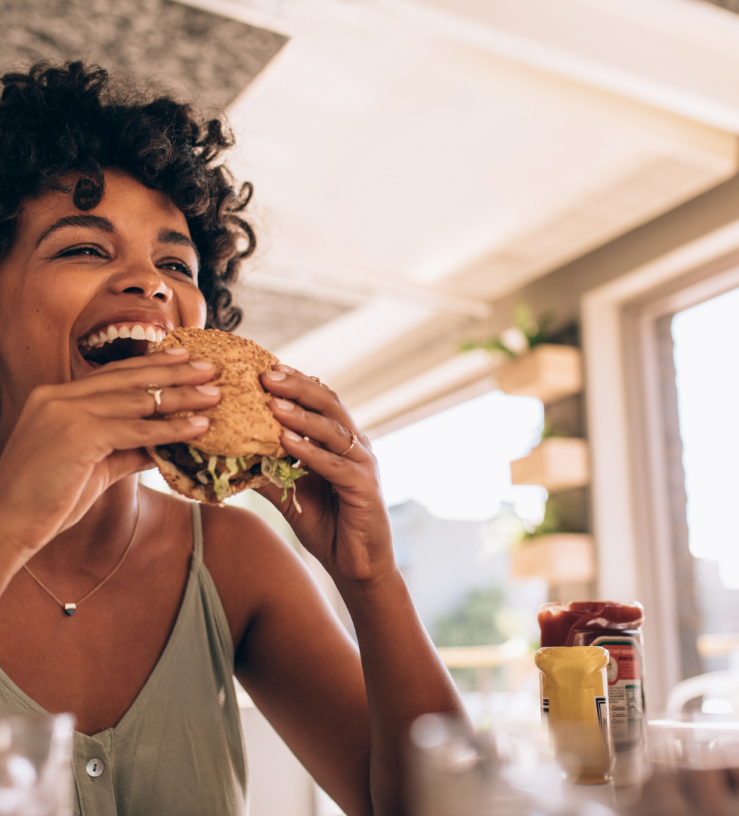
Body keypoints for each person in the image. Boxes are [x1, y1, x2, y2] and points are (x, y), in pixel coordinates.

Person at [0, 61, 465, 815]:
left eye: (176, 264)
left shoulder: (230, 560)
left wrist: (370, 574)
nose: (150, 283)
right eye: (85, 248)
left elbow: (443, 808)